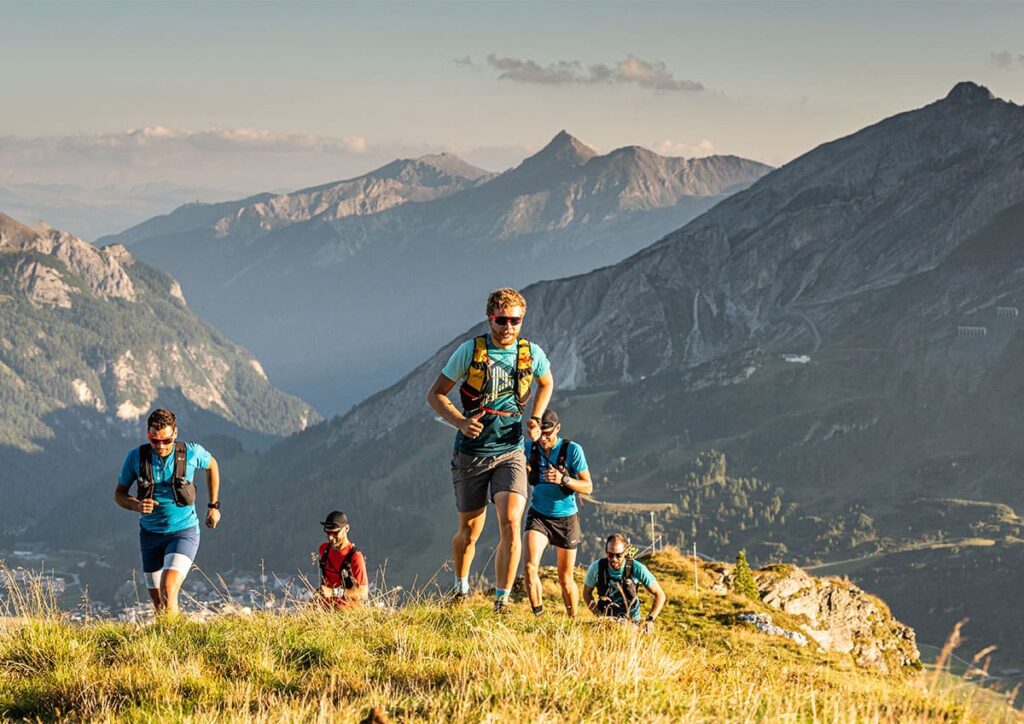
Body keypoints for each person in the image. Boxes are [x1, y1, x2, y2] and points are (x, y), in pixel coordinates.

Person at [427, 287, 554, 612]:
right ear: (490, 318)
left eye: (516, 320)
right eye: (502, 320)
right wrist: (460, 422)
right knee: (469, 531)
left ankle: (502, 601)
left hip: (511, 451)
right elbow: (436, 394)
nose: (508, 327)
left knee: (512, 523)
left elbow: (546, 382)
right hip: (472, 452)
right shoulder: (469, 352)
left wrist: (536, 418)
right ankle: (461, 585)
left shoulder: (531, 353)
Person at [113, 408, 220, 615]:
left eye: (166, 441)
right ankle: (168, 636)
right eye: (155, 441)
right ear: (148, 435)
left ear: (175, 434)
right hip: (150, 535)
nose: (160, 446)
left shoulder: (191, 453)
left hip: (184, 531)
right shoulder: (135, 458)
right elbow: (119, 494)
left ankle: (175, 642)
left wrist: (213, 506)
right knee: (158, 602)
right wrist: (136, 505)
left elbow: (212, 465)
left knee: (169, 587)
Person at [523, 409, 592, 617]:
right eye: (540, 433)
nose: (544, 439)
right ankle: (539, 616)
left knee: (565, 577)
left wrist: (564, 479)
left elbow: (588, 487)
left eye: (549, 434)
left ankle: (572, 621)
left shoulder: (572, 450)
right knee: (529, 567)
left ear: (558, 429)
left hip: (566, 519)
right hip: (539, 515)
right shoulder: (529, 448)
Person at [583, 534, 667, 632]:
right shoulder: (596, 567)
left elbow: (660, 595)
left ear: (625, 552)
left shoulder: (637, 568)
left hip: (632, 622)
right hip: (606, 623)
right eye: (610, 555)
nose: (614, 559)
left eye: (618, 555)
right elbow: (586, 593)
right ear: (606, 552)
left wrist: (650, 619)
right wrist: (598, 614)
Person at [314, 510, 369, 608]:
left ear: (346, 528)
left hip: (347, 613)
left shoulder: (355, 557)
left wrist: (333, 592)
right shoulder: (324, 549)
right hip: (326, 609)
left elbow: (363, 593)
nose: (330, 537)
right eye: (327, 532)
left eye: (335, 533)